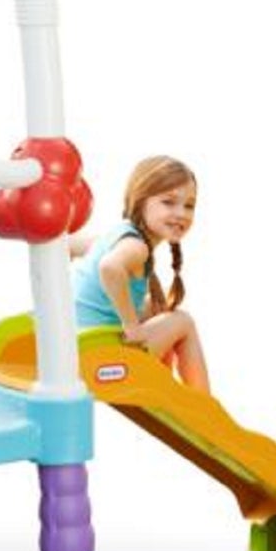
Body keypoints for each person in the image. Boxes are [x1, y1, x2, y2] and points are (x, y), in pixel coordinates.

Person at [70, 155, 211, 393]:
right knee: (183, 321)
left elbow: (70, 245)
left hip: (74, 343)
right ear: (141, 201)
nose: (181, 213)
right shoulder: (137, 247)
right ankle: (203, 401)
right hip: (97, 354)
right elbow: (109, 268)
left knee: (156, 307)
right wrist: (132, 326)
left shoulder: (117, 234)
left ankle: (160, 381)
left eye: (189, 205)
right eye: (168, 202)